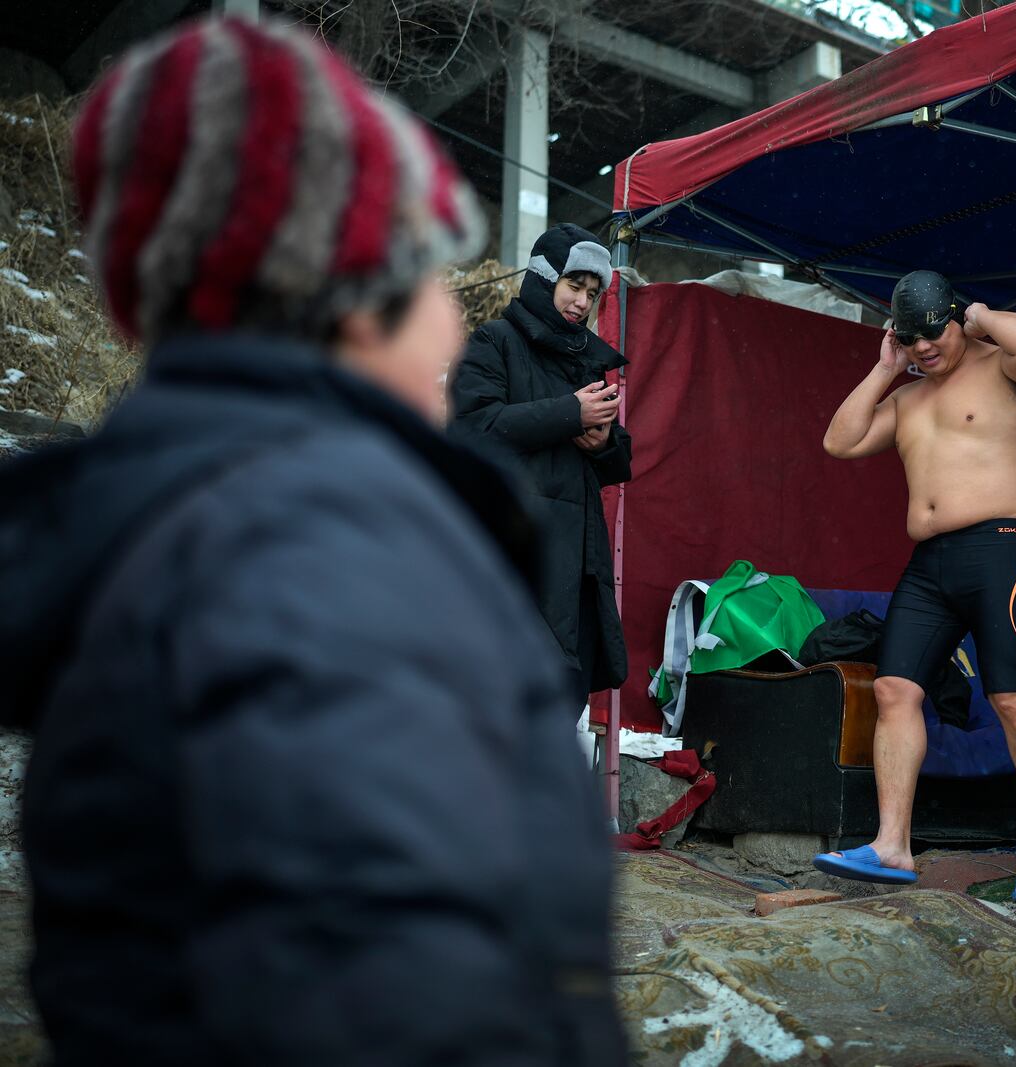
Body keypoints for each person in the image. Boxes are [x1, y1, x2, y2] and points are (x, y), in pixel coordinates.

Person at [0, 18, 624, 1065]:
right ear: (359, 291)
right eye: (430, 262)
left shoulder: (188, 539)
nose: (445, 320)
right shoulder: (327, 576)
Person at [814, 269, 1016, 902]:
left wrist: (979, 314)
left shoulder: (1008, 370)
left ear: (957, 320)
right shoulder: (907, 397)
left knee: (1012, 698)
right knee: (895, 688)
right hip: (930, 563)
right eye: (912, 339)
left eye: (934, 333)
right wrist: (884, 369)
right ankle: (892, 846)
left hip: (1000, 548)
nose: (925, 348)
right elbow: (838, 441)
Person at [449, 224, 631, 708]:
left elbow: (622, 459)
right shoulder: (494, 341)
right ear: (543, 278)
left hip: (576, 563)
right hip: (514, 556)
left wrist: (601, 441)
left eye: (592, 293)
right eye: (573, 286)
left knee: (557, 701)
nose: (581, 302)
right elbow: (471, 428)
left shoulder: (586, 361)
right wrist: (569, 413)